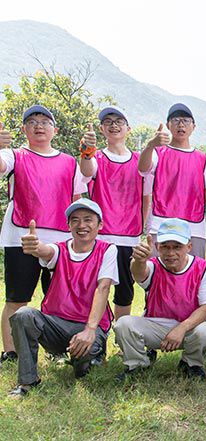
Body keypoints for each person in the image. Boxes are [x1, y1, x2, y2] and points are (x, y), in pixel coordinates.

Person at [0, 105, 87, 364]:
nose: (39, 126)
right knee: (17, 298)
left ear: (55, 130)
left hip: (60, 240)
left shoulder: (70, 162)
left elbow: (77, 199)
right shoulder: (14, 154)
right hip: (20, 237)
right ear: (24, 129)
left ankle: (56, 349)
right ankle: (11, 352)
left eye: (45, 121)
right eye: (32, 122)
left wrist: (78, 237)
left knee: (58, 299)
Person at [9, 199, 116, 397]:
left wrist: (90, 330)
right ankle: (27, 382)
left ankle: (88, 358)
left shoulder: (108, 250)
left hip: (88, 327)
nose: (81, 225)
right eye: (75, 220)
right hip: (56, 325)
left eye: (88, 219)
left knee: (83, 370)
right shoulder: (60, 249)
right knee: (23, 315)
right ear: (68, 226)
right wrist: (36, 247)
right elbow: (46, 251)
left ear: (100, 225)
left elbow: (103, 288)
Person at [114, 218, 206, 380]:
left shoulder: (203, 268)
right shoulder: (152, 265)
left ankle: (190, 364)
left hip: (186, 328)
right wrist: (139, 260)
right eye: (165, 247)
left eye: (177, 247)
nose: (170, 253)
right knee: (123, 324)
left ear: (189, 246)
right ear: (157, 247)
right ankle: (137, 365)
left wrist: (181, 328)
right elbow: (139, 273)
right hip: (155, 325)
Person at [80, 106, 151, 319]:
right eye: (108, 122)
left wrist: (141, 228)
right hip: (101, 236)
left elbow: (146, 198)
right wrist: (86, 151)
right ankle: (94, 331)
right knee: (95, 287)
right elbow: (86, 170)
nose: (114, 125)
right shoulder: (97, 158)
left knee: (125, 293)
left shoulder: (140, 161)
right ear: (101, 128)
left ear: (128, 128)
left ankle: (122, 334)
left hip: (129, 236)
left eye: (119, 121)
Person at [138, 103, 206, 258]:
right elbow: (143, 169)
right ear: (168, 125)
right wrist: (150, 145)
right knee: (156, 269)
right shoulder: (158, 152)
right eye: (176, 120)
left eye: (186, 120)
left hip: (194, 227)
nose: (181, 124)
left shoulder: (202, 158)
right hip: (160, 223)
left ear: (193, 126)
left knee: (194, 270)